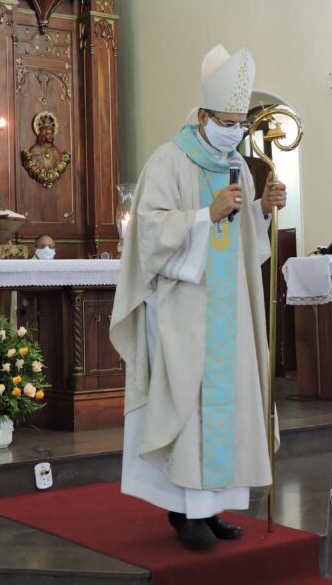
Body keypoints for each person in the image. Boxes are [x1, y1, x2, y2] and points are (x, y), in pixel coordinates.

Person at [110, 44, 287, 552]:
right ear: (204, 115)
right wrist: (204, 216)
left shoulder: (233, 164)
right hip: (184, 312)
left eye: (240, 122)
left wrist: (262, 211)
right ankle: (183, 511)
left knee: (228, 407)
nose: (235, 130)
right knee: (188, 408)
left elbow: (241, 244)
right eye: (228, 120)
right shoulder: (168, 161)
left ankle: (212, 510)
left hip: (227, 312)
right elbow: (148, 236)